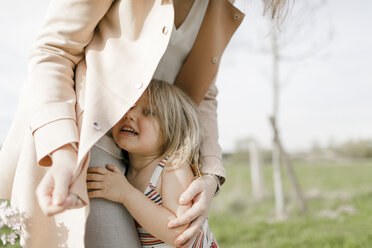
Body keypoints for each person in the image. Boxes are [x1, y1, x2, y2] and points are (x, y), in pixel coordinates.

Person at [0, 0, 287, 247]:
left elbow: (203, 95)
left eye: (148, 112)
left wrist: (210, 174)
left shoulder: (171, 167)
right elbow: (53, 51)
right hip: (88, 142)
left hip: (143, 158)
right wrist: (63, 154)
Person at [87, 80, 218, 247]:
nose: (130, 114)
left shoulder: (173, 167)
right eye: (128, 106)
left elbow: (180, 232)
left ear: (172, 128)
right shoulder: (126, 171)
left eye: (148, 112)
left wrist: (126, 194)